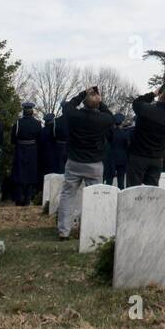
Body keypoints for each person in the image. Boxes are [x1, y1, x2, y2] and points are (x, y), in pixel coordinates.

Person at [55, 87, 117, 240]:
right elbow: (111, 116)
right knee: (96, 198)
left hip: (74, 161)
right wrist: (99, 101)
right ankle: (93, 229)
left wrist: (83, 93)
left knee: (68, 196)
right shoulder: (103, 120)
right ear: (98, 105)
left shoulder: (74, 115)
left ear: (83, 103)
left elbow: (68, 106)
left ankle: (64, 231)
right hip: (94, 163)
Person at [127, 86, 165, 187]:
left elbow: (136, 102)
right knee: (152, 192)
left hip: (138, 156)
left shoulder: (146, 109)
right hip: (157, 158)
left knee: (133, 190)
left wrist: (153, 94)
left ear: (160, 96)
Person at [10, 102, 43, 206]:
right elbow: (40, 139)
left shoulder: (18, 123)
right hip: (32, 150)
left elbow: (13, 139)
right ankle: (28, 198)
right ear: (32, 111)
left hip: (20, 149)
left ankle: (19, 198)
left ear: (23, 111)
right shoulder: (38, 124)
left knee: (19, 173)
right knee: (30, 174)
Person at [108, 116, 132, 189]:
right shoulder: (125, 134)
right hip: (122, 158)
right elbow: (127, 147)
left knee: (109, 180)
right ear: (121, 122)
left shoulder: (110, 133)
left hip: (111, 158)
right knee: (121, 181)